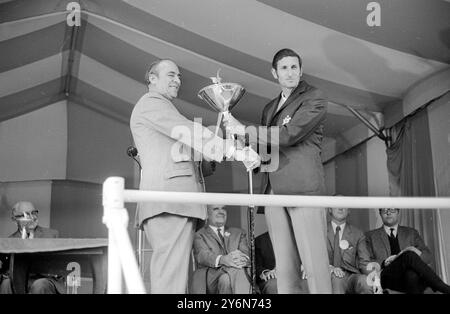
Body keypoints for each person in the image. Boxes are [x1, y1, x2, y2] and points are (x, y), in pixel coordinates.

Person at [130, 59, 259, 293]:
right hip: (169, 202)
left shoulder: (162, 108)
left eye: (179, 76)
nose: (177, 81)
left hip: (174, 203)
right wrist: (230, 150)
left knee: (175, 278)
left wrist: (224, 137)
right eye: (171, 75)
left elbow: (189, 153)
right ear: (152, 78)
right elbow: (186, 130)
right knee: (171, 279)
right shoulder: (151, 103)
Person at [224, 48, 331, 293]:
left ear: (301, 70)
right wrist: (252, 156)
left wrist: (246, 130)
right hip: (273, 191)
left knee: (315, 266)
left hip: (304, 189)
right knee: (284, 268)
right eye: (284, 68)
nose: (290, 72)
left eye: (294, 67)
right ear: (274, 73)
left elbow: (291, 134)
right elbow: (268, 147)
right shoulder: (270, 107)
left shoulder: (314, 96)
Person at [365, 208, 450, 294]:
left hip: (409, 279)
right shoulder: (370, 236)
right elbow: (365, 262)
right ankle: (444, 288)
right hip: (387, 277)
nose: (388, 213)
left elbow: (428, 256)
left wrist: (415, 250)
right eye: (385, 210)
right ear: (380, 213)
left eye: (392, 210)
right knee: (408, 255)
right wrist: (385, 262)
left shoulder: (411, 233)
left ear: (398, 212)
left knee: (411, 274)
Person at [0, 201, 64, 294]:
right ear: (14, 219)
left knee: (39, 284)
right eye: (25, 214)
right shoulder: (10, 241)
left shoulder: (52, 235)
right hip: (19, 280)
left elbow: (60, 266)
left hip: (45, 279)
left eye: (33, 213)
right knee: (6, 283)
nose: (32, 217)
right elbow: (6, 269)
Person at [190, 204, 251, 294]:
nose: (221, 211)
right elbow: (202, 256)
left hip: (236, 272)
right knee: (232, 277)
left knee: (226, 279)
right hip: (212, 276)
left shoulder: (239, 232)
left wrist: (242, 259)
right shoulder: (199, 235)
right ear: (207, 214)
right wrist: (223, 259)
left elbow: (246, 253)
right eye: (216, 209)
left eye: (223, 209)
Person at [326, 206, 373, 294]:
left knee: (366, 281)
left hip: (350, 275)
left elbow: (364, 262)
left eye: (344, 205)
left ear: (349, 211)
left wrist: (373, 276)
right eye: (336, 205)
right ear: (330, 209)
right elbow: (314, 258)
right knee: (337, 279)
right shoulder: (321, 231)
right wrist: (330, 268)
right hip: (327, 274)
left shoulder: (358, 233)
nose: (340, 208)